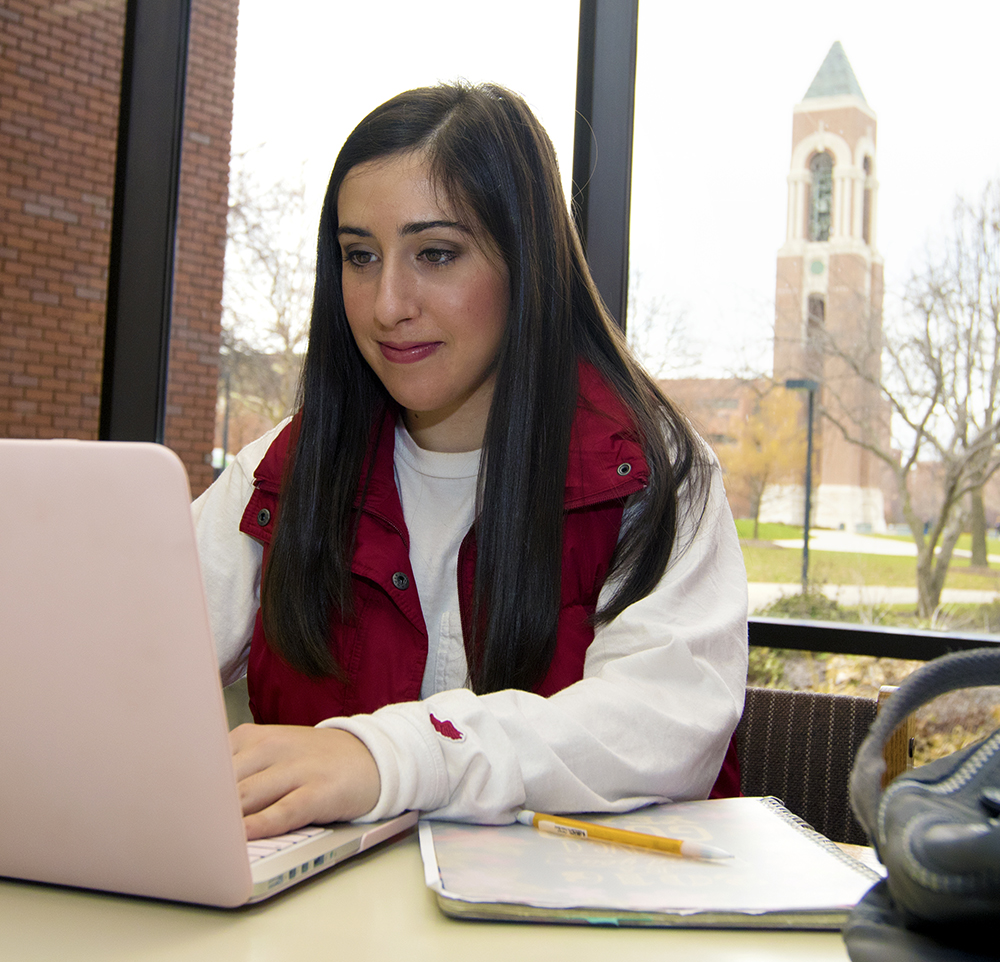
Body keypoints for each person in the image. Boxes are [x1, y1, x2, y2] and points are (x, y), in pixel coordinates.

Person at [193, 82, 748, 841]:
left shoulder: (657, 474)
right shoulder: (281, 471)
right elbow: (123, 659)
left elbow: (658, 731)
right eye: (360, 256)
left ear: (528, 265)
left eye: (436, 253)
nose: (387, 302)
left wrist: (386, 757)